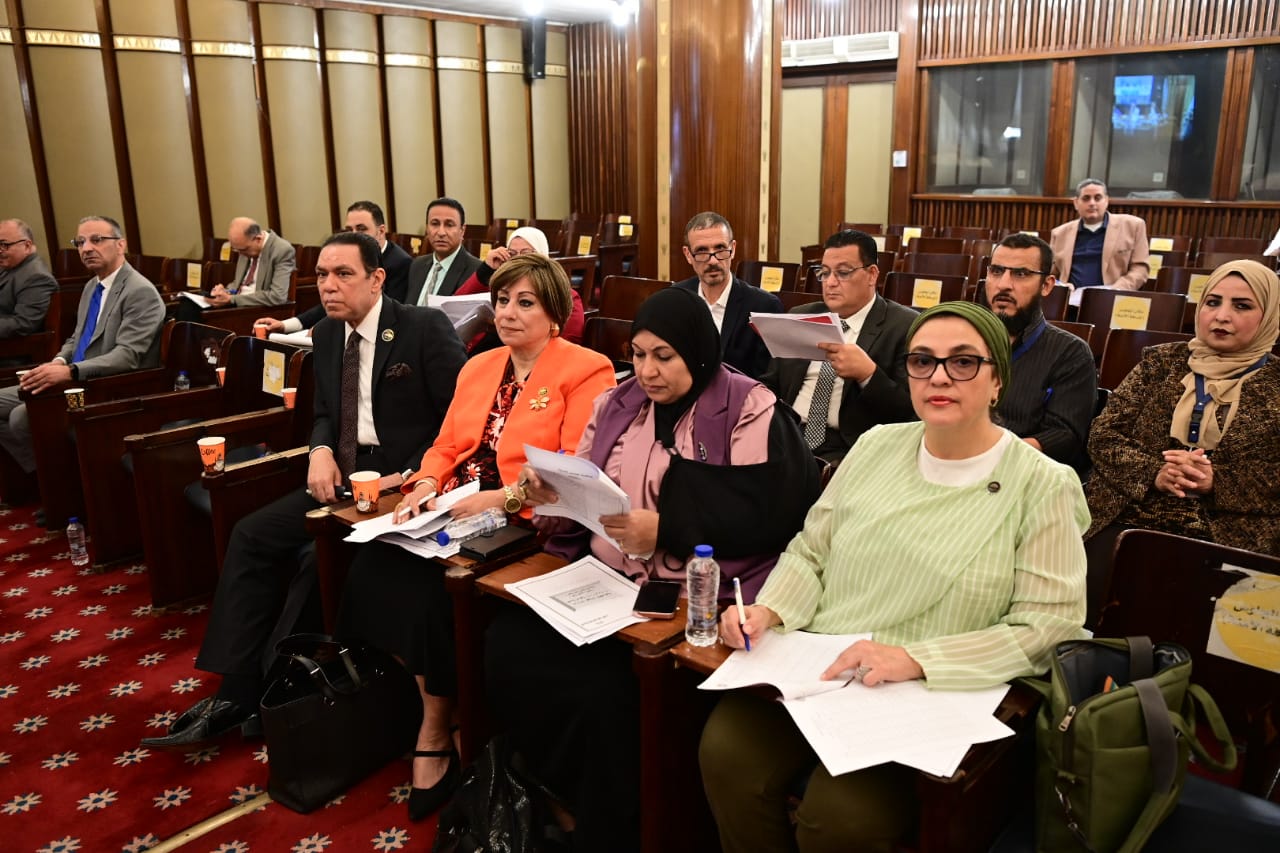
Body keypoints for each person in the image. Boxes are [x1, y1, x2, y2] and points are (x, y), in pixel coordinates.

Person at [699, 301, 1089, 853]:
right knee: (726, 752)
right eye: (922, 361)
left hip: (928, 689)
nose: (939, 377)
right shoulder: (876, 445)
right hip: (824, 664)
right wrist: (771, 609)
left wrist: (916, 660)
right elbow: (812, 550)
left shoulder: (1042, 483)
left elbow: (1049, 624)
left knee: (840, 819)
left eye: (963, 362)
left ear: (998, 380)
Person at [492, 287, 819, 852]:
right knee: (507, 643)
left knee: (610, 695)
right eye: (638, 354)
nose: (646, 371)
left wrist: (667, 528)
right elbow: (586, 481)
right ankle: (553, 796)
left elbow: (769, 510)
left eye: (664, 356)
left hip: (694, 597)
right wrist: (550, 491)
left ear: (696, 351)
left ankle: (615, 830)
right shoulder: (618, 402)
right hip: (607, 582)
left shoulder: (747, 407)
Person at [142, 231, 465, 751]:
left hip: (403, 480)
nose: (329, 286)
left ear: (377, 279)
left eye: (343, 274)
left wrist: (408, 474)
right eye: (322, 275)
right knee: (251, 534)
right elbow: (324, 414)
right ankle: (236, 689)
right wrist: (319, 450)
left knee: (319, 557)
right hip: (341, 473)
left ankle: (271, 691)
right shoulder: (329, 334)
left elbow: (458, 424)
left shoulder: (422, 328)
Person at [337, 253, 615, 822]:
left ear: (554, 313)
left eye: (524, 303)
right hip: (452, 505)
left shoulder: (586, 369)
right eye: (502, 300)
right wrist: (425, 483)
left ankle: (436, 728)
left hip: (526, 519)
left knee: (431, 594)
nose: (507, 313)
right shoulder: (480, 365)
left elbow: (572, 469)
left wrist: (502, 499)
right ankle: (434, 707)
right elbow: (445, 445)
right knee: (371, 570)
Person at [1084, 259, 1280, 618]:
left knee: (1196, 617)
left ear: (1269, 316)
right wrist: (1155, 472)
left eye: (1242, 306)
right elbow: (1104, 435)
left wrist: (1217, 481)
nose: (1221, 316)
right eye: (1212, 302)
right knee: (1097, 600)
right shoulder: (1159, 363)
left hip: (1232, 530)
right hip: (1132, 512)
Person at [0, 216, 166, 476]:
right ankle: (44, 478)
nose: (86, 248)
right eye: (80, 242)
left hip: (107, 386)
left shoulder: (139, 291)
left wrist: (70, 371)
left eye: (96, 240)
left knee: (22, 416)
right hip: (77, 377)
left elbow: (127, 356)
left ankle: (58, 484)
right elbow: (76, 339)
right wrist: (57, 362)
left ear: (121, 244)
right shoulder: (92, 286)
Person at [762, 228, 915, 464]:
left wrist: (868, 375)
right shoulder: (802, 316)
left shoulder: (904, 326)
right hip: (788, 436)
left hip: (850, 448)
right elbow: (772, 383)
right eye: (824, 273)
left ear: (872, 274)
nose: (830, 283)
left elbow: (910, 412)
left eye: (843, 273)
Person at [985, 233, 1097, 474]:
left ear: (1046, 285)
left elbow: (1064, 436)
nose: (1004, 284)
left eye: (1020, 274)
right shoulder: (963, 340)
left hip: (1025, 471)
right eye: (996, 271)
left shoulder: (1071, 353)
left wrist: (993, 455)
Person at [255, 201, 414, 335]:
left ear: (381, 231)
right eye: (349, 230)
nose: (354, 235)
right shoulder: (344, 260)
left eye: (361, 229)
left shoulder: (400, 262)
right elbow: (333, 303)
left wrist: (325, 328)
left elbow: (384, 313)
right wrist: (285, 325)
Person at [675, 211, 782, 380]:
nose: (713, 261)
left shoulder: (764, 306)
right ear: (688, 255)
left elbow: (767, 380)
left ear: (733, 249)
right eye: (702, 251)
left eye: (720, 249)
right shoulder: (675, 299)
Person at [452, 226, 586, 347]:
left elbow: (568, 342)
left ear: (543, 256)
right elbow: (454, 307)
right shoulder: (501, 288)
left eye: (527, 253)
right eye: (512, 254)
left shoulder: (563, 294)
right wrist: (486, 269)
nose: (518, 259)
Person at [1049, 179, 1150, 302]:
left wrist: (1116, 290)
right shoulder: (1059, 233)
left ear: (1106, 201)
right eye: (1086, 198)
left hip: (1112, 300)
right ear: (1076, 203)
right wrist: (1061, 286)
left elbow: (1140, 269)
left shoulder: (1133, 226)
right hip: (1069, 302)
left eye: (1097, 198)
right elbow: (1051, 274)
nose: (1092, 203)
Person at [405, 197, 483, 303]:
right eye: (435, 224)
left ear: (462, 230)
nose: (441, 232)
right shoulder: (417, 265)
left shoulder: (475, 271)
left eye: (449, 225)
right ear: (427, 228)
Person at [0, 218, 56, 340]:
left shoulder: (37, 278)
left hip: (14, 348)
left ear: (27, 246)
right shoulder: (9, 266)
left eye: (4, 245)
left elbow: (23, 324)